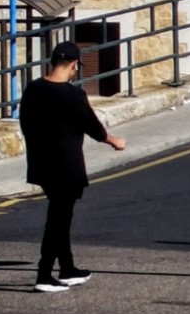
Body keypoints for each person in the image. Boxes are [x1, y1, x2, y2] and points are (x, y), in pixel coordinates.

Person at [18, 41, 126, 292]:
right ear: (75, 64)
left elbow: (26, 124)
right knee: (58, 221)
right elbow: (92, 125)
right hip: (67, 166)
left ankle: (67, 268)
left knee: (61, 216)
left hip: (41, 163)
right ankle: (44, 275)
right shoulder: (73, 94)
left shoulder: (33, 89)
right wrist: (114, 141)